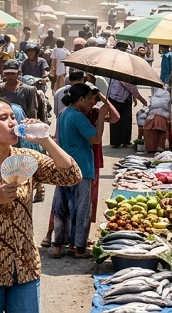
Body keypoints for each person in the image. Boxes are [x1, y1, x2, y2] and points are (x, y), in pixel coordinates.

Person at [0, 97, 81, 313]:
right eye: (3, 118)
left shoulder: (26, 159)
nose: (12, 122)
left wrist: (45, 140)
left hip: (25, 269)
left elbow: (71, 175)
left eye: (13, 116)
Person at [51, 83, 110, 259]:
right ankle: (79, 248)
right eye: (91, 99)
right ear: (81, 99)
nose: (93, 102)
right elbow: (96, 138)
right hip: (81, 168)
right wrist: (100, 117)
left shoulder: (63, 114)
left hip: (64, 166)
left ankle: (58, 245)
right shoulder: (78, 117)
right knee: (82, 208)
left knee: (62, 207)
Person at [106, 71, 147, 148]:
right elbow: (130, 86)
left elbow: (131, 86)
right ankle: (122, 141)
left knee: (118, 120)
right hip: (119, 99)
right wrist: (142, 99)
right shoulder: (123, 73)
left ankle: (118, 142)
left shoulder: (117, 71)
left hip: (117, 98)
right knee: (124, 119)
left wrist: (134, 97)